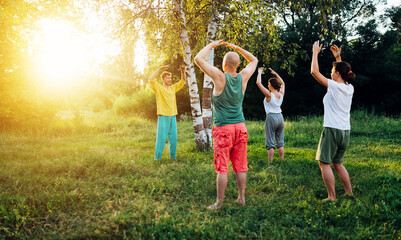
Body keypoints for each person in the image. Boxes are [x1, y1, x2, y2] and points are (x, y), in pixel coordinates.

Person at [194, 40, 258, 209]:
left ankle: (219, 203)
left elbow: (198, 59)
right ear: (237, 64)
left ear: (224, 64)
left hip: (224, 129)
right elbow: (254, 61)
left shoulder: (219, 76)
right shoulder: (243, 77)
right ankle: (241, 198)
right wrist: (237, 48)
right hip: (241, 128)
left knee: (222, 167)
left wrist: (211, 46)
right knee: (240, 165)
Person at [310, 41, 355, 201]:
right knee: (338, 163)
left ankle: (332, 196)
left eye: (332, 70)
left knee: (324, 163)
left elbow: (314, 72)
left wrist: (315, 52)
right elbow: (344, 74)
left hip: (332, 130)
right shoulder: (349, 87)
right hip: (345, 131)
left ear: (337, 74)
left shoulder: (335, 87)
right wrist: (338, 58)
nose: (330, 72)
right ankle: (349, 192)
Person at [148, 65, 186, 161]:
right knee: (161, 139)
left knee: (174, 139)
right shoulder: (159, 88)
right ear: (163, 79)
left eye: (170, 78)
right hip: (163, 115)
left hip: (172, 116)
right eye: (167, 78)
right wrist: (159, 69)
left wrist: (183, 71)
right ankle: (157, 159)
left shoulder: (173, 88)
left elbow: (183, 81)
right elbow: (150, 79)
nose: (169, 79)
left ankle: (173, 157)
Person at [256, 67, 285, 163]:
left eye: (268, 84)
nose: (268, 86)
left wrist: (259, 72)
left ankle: (270, 162)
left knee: (270, 143)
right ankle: (281, 161)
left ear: (272, 85)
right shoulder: (281, 94)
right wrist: (275, 73)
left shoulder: (269, 95)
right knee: (280, 142)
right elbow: (283, 83)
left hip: (271, 117)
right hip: (280, 117)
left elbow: (258, 83)